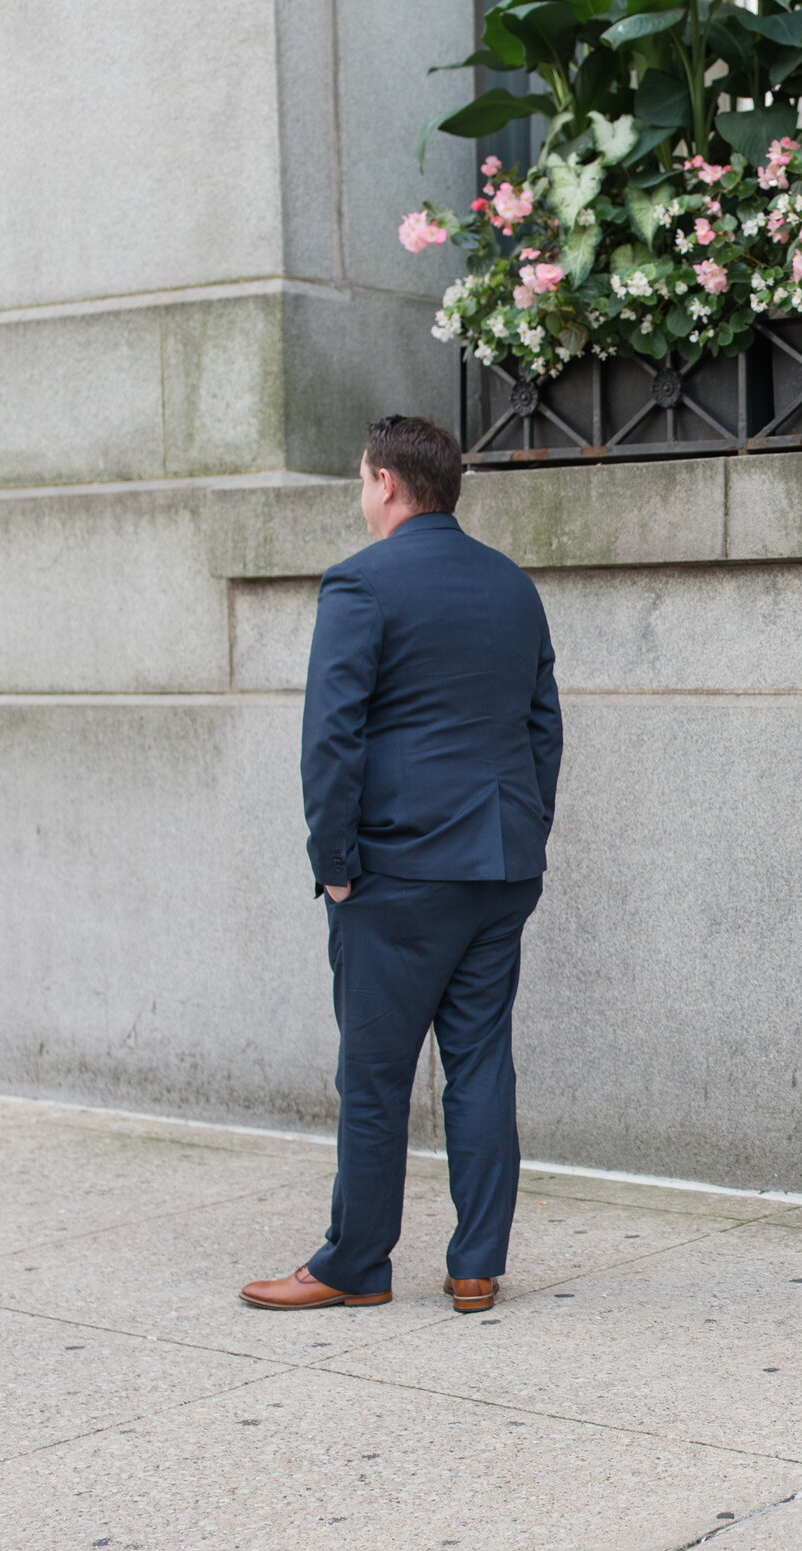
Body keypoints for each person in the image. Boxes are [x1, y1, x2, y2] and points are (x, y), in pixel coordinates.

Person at [240, 416, 562, 1317]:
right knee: (482, 1061)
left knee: (375, 1074)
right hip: (501, 866)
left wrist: (335, 862)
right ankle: (475, 1265)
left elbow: (330, 737)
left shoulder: (360, 581)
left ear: (384, 481)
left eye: (360, 477)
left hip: (399, 871)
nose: (360, 492)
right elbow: (543, 725)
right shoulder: (511, 585)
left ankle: (356, 1263)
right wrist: (523, 829)